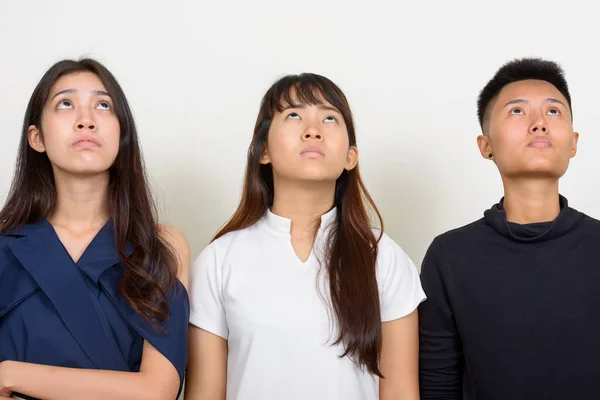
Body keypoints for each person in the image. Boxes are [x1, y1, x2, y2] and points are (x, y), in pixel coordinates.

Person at [185, 73, 425, 399]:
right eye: (294, 115)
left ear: (350, 157)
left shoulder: (384, 256)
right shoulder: (218, 260)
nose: (313, 130)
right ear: (262, 150)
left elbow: (400, 393)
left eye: (329, 118)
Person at [0, 59, 190, 400]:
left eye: (103, 105)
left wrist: (10, 373)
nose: (86, 120)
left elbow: (156, 391)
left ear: (122, 134)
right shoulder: (4, 248)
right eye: (65, 104)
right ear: (37, 137)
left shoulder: (162, 245)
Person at [418, 57, 600, 399]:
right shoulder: (450, 256)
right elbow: (437, 385)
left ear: (574, 142)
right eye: (517, 111)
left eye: (554, 111)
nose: (539, 124)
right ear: (486, 145)